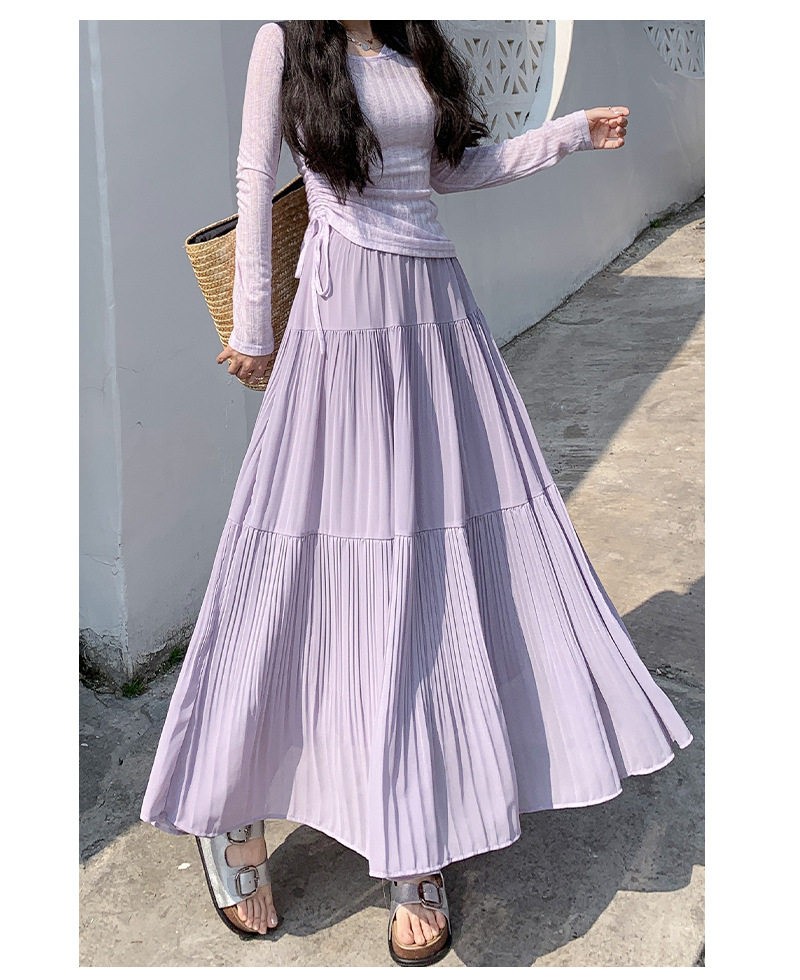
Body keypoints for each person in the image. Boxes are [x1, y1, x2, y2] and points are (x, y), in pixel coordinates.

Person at [140, 19, 692, 966]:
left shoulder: (411, 47)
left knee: (431, 574)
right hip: (341, 321)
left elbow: (453, 169)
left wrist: (569, 133)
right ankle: (230, 807)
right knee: (304, 561)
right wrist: (254, 327)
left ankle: (412, 838)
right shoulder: (287, 42)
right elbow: (251, 176)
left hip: (434, 315)